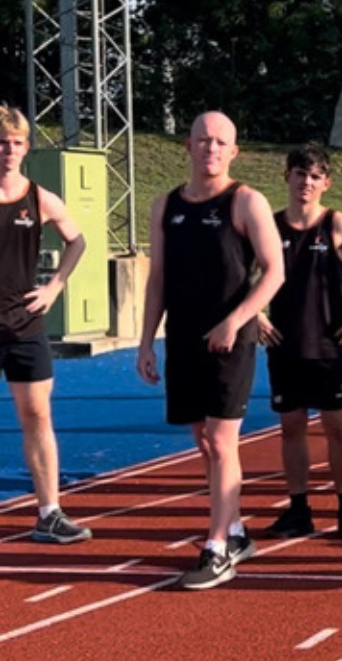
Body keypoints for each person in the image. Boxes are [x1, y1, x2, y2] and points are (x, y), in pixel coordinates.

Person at [136, 111, 285, 590]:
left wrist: (235, 320)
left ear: (234, 151)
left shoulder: (246, 201)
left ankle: (216, 547)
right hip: (183, 338)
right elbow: (158, 279)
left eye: (221, 142)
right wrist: (146, 341)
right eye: (203, 140)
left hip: (231, 340)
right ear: (189, 145)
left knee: (222, 442)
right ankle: (236, 528)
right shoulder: (165, 206)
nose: (211, 148)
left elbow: (275, 271)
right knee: (203, 440)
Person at [259, 144, 342, 540]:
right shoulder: (270, 226)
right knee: (291, 427)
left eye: (315, 176)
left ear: (326, 183)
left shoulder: (337, 224)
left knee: (337, 427)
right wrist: (255, 315)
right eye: (300, 174)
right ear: (288, 176)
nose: (307, 182)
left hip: (329, 345)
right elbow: (240, 272)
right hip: (284, 343)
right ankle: (298, 509)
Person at [0, 104, 90, 544]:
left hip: (24, 324)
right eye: (2, 143)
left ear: (26, 148)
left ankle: (49, 512)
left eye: (16, 143)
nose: (8, 150)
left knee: (37, 414)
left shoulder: (40, 198)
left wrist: (55, 286)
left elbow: (78, 241)